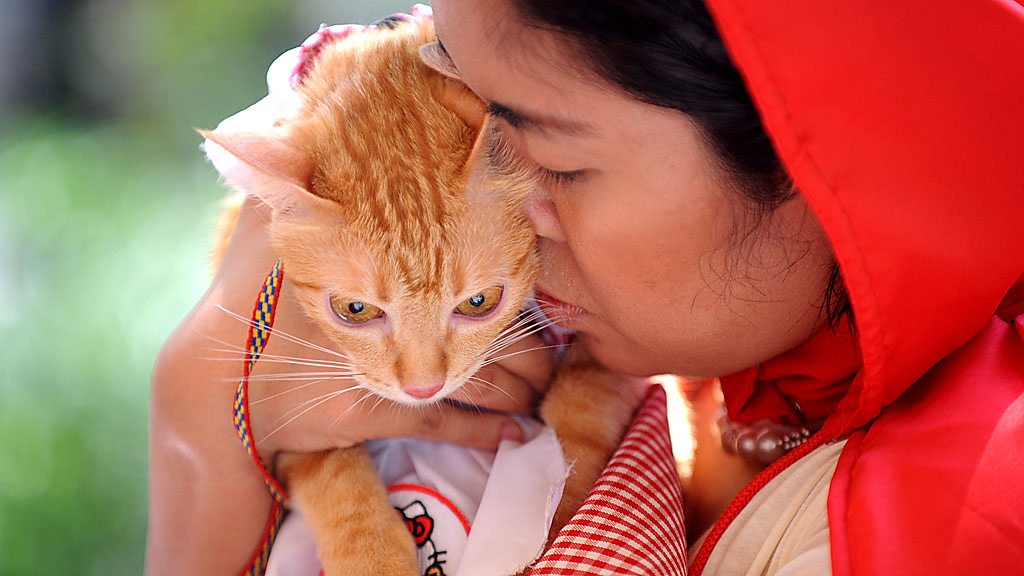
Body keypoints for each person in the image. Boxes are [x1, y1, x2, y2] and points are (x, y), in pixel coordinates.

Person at [146, 1, 1024, 574]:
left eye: (550, 159)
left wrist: (202, 426)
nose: (508, 219)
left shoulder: (935, 529)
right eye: (464, 110)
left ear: (803, 154)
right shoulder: (709, 363)